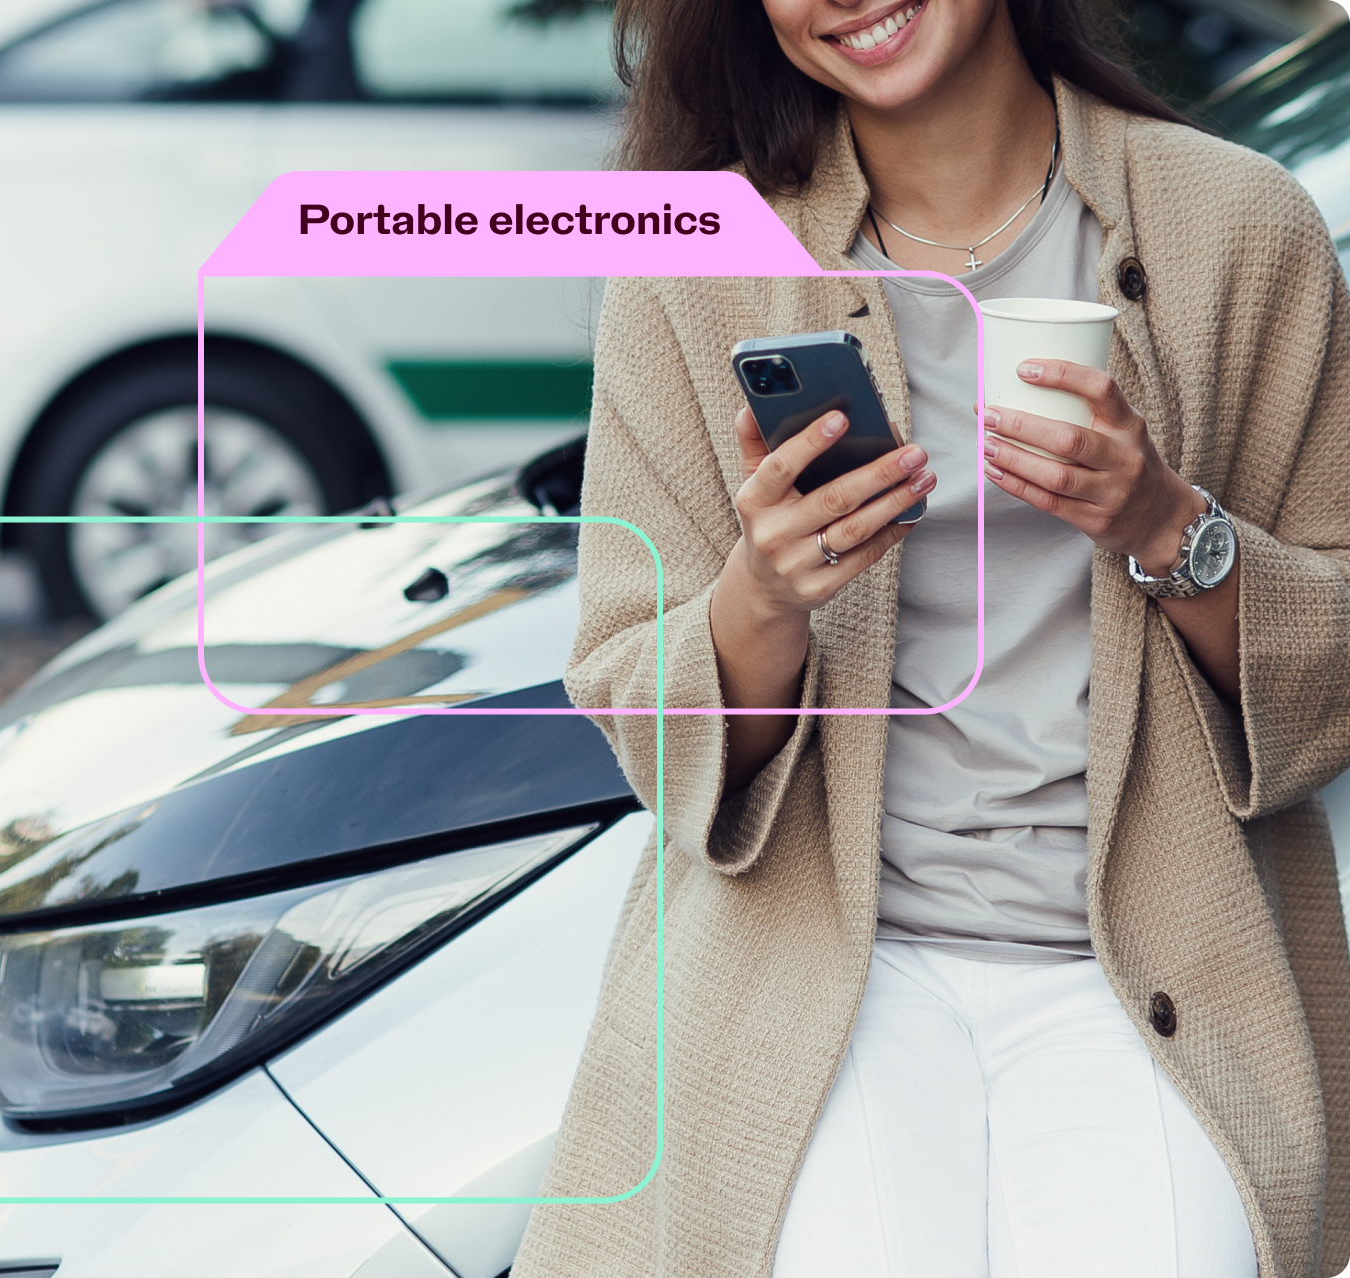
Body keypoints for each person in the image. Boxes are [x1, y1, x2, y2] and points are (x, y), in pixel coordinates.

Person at [511, 1, 1350, 1275]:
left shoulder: (1236, 226)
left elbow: (1338, 664)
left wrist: (1168, 525)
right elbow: (641, 713)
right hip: (837, 955)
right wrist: (766, 594)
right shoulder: (693, 264)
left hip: (1144, 955)